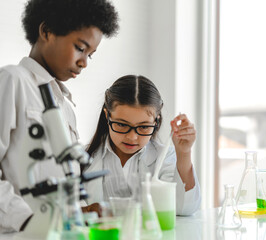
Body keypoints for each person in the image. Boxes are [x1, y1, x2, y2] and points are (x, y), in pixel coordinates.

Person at [0, 0, 119, 233]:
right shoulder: (12, 81)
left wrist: (82, 211)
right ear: (47, 31)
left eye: (90, 55)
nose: (84, 62)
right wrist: (28, 220)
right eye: (80, 48)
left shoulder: (64, 104)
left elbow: (65, 181)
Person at [83, 75, 201, 215]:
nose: (132, 137)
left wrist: (184, 153)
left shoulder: (164, 157)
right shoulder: (84, 158)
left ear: (156, 122)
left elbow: (184, 209)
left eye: (143, 127)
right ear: (107, 115)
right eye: (121, 124)